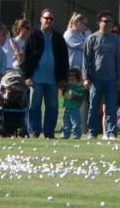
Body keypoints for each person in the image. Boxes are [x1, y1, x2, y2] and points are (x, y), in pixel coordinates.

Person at [20, 9, 69, 139]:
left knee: (52, 106)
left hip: (53, 79)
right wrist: (26, 76)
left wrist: (63, 78)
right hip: (36, 78)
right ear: (41, 19)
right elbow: (26, 57)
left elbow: (64, 59)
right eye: (46, 18)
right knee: (34, 105)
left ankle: (49, 133)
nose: (48, 21)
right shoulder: (33, 36)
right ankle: (34, 132)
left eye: (51, 19)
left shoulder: (59, 38)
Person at [84, 11, 120, 140]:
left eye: (110, 22)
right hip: (96, 79)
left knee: (111, 108)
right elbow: (86, 60)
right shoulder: (92, 38)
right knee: (94, 107)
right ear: (99, 22)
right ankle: (92, 132)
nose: (108, 24)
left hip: (111, 79)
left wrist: (119, 78)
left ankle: (111, 133)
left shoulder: (115, 39)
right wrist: (86, 78)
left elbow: (119, 60)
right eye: (105, 21)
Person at [62, 68, 86, 139]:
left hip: (75, 109)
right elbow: (65, 94)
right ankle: (65, 135)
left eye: (72, 80)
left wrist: (74, 95)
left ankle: (77, 136)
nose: (70, 82)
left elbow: (80, 98)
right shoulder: (67, 87)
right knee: (66, 124)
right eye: (69, 80)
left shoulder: (79, 89)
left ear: (77, 80)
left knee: (76, 124)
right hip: (66, 109)